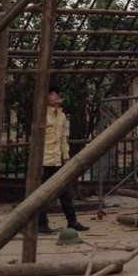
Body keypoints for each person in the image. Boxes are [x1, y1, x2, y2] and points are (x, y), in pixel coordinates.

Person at [38, 86, 88, 233]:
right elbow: (38, 140)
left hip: (57, 160)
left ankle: (72, 222)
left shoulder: (61, 116)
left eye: (57, 94)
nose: (56, 96)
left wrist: (66, 157)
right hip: (44, 160)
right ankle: (41, 224)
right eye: (53, 94)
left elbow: (62, 139)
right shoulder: (41, 115)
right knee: (43, 194)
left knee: (65, 192)